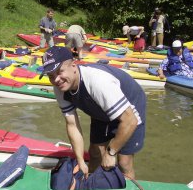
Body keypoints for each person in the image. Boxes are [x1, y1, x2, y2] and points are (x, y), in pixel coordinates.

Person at [40, 46, 146, 179]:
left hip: (130, 108)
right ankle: (91, 182)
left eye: (60, 72)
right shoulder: (60, 87)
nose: (56, 80)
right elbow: (72, 124)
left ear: (73, 65)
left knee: (124, 162)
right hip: (101, 107)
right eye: (51, 76)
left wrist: (111, 153)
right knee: (95, 153)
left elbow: (130, 120)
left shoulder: (97, 82)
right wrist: (80, 161)